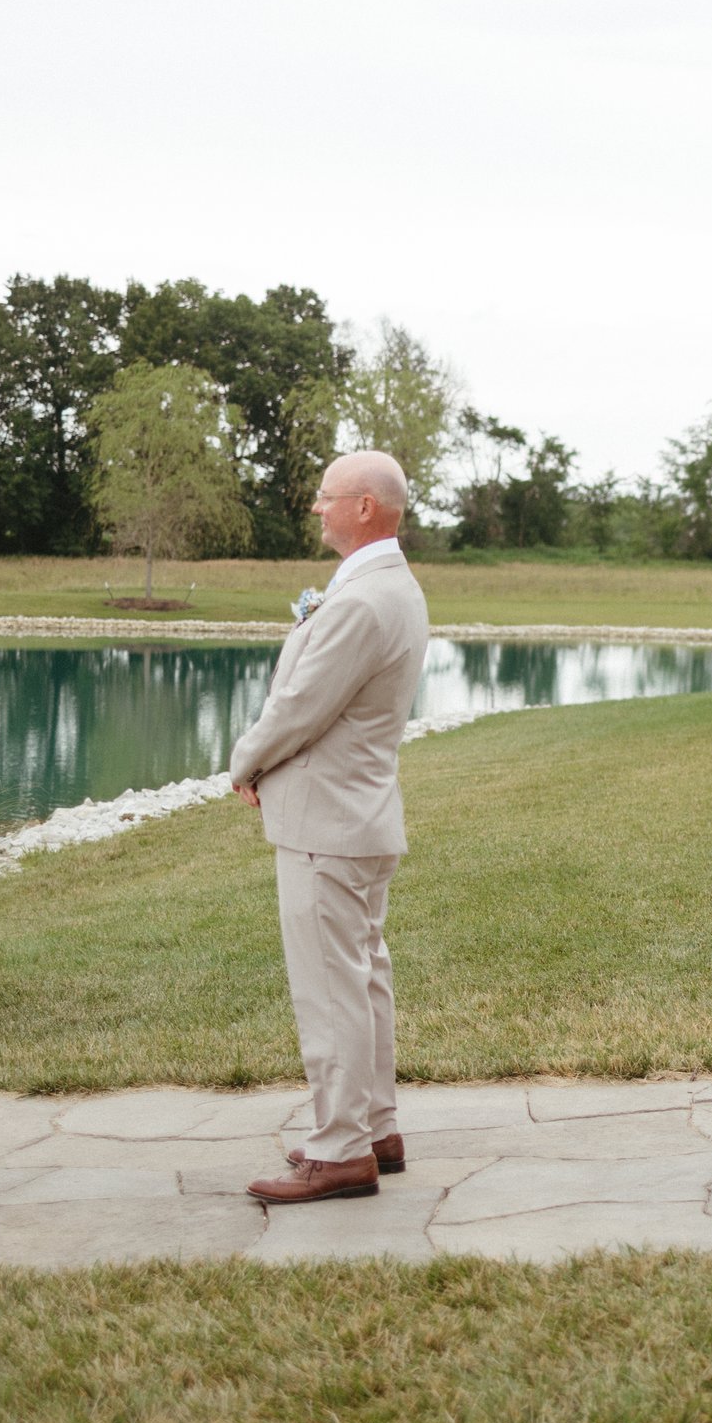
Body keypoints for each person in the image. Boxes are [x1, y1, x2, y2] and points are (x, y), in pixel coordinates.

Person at [233, 451, 430, 1205]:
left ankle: (340, 1148)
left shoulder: (359, 602)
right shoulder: (393, 587)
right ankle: (376, 1128)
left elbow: (299, 707)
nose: (316, 507)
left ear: (367, 509)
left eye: (326, 497)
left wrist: (243, 762)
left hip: (329, 821)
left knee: (331, 989)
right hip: (361, 813)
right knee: (363, 977)